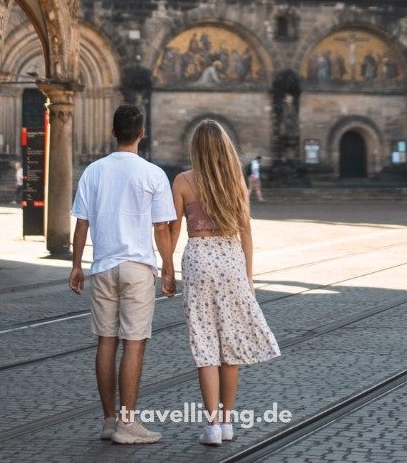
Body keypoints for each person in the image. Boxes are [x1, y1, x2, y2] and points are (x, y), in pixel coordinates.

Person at [69, 104, 177, 445]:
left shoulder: (93, 171)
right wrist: (170, 268)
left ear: (113, 132)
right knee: (134, 342)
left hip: (102, 267)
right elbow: (162, 228)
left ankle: (108, 420)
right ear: (141, 134)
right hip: (138, 267)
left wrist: (76, 265)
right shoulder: (153, 174)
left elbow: (81, 223)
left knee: (105, 342)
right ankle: (128, 424)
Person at [170, 120, 280, 446]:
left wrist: (165, 267)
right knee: (230, 346)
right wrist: (248, 276)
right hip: (231, 257)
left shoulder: (182, 181)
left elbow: (172, 229)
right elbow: (246, 231)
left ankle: (212, 427)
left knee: (205, 345)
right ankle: (229, 422)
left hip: (199, 257)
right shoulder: (236, 181)